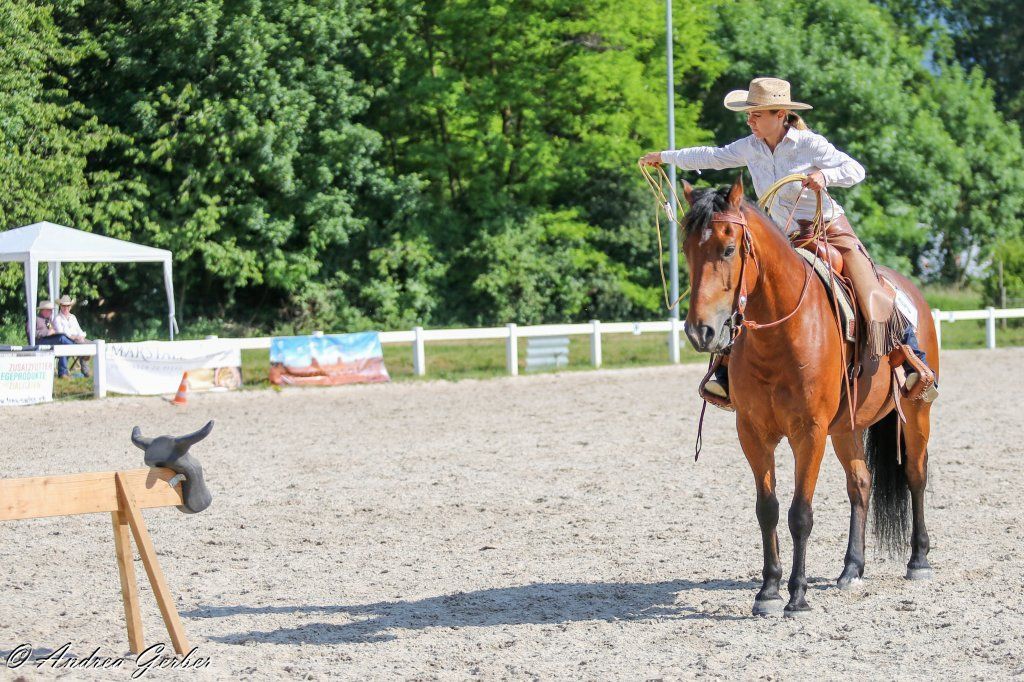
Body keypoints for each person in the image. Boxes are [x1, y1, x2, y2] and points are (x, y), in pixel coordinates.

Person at [639, 76, 936, 403]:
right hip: (782, 238)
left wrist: (826, 175)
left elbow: (854, 170)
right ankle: (725, 366)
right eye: (749, 114)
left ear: (780, 114)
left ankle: (907, 355)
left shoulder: (809, 144)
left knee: (862, 278)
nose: (750, 120)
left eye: (757, 114)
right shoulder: (749, 146)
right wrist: (666, 157)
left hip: (825, 227)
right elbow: (712, 156)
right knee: (744, 284)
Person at [33, 300, 77, 378]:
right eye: (49, 310)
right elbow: (32, 334)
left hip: (51, 341)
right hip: (40, 342)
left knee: (63, 345)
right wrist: (47, 332)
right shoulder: (35, 319)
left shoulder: (48, 320)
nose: (50, 312)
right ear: (42, 310)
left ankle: (63, 373)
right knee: (62, 338)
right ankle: (77, 348)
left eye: (51, 310)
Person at [52, 295, 91, 378]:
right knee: (84, 346)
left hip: (77, 340)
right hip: (66, 341)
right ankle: (85, 371)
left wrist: (80, 336)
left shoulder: (73, 317)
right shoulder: (57, 318)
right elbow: (61, 333)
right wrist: (74, 337)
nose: (66, 307)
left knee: (92, 345)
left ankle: (86, 370)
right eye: (64, 306)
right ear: (60, 306)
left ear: (70, 307)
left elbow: (79, 330)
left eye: (68, 306)